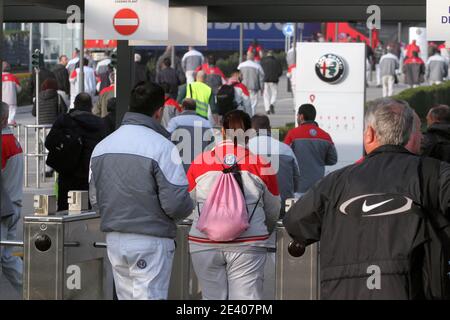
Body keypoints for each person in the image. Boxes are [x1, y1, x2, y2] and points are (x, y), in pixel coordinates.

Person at [283, 98, 450, 300]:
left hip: (343, 292)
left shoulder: (335, 182)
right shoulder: (436, 173)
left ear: (369, 134)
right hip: (413, 290)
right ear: (410, 135)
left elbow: (295, 223)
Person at [89, 82, 193, 300]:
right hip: (151, 240)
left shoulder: (102, 147)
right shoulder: (163, 147)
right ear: (159, 112)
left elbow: (96, 200)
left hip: (115, 239)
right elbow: (177, 205)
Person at [187, 110, 281, 300]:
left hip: (204, 243)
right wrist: (263, 229)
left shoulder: (199, 162)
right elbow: (273, 210)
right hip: (249, 243)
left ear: (222, 132)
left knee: (211, 298)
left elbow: (188, 204)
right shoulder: (262, 164)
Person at [45, 93, 106, 211]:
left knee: (65, 209)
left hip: (67, 173)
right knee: (87, 212)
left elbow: (49, 142)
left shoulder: (64, 120)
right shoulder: (100, 124)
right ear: (91, 106)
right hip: (90, 176)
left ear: (75, 104)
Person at [248, 114, 300, 216]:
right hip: (283, 207)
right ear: (270, 129)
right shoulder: (286, 149)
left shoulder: (245, 149)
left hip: (254, 209)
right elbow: (296, 181)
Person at [284, 104, 337, 194]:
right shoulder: (325, 136)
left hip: (298, 188)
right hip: (317, 188)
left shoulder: (292, 134)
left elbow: (284, 157)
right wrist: (317, 161)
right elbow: (333, 160)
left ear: (301, 116)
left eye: (297, 115)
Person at [1, 102, 24, 293]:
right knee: (7, 257)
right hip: (14, 204)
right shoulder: (14, 141)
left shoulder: (2, 143)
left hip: (3, 208)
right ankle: (33, 291)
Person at [167, 98, 214, 172]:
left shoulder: (175, 122)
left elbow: (167, 141)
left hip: (180, 165)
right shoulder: (206, 123)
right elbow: (212, 144)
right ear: (195, 108)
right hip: (200, 165)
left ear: (183, 107)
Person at [260, 50, 282, 115]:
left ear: (267, 54)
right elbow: (280, 71)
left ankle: (267, 109)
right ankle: (272, 104)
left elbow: (261, 71)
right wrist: (277, 76)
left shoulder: (263, 61)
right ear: (273, 54)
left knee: (266, 95)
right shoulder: (276, 61)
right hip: (274, 80)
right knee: (274, 93)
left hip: (265, 80)